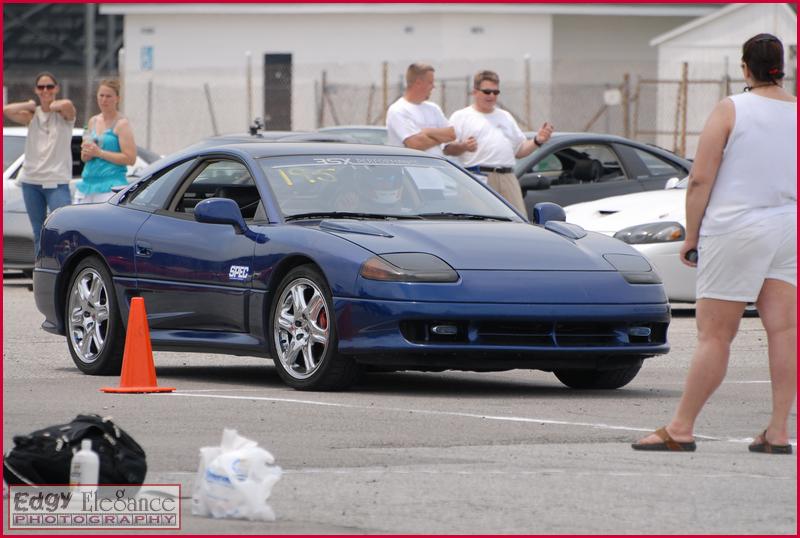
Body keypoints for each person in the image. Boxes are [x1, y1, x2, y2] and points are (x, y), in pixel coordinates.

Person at [632, 33, 796, 454]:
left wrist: (691, 234)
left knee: (715, 335)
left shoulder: (731, 108)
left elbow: (701, 178)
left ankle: (681, 427)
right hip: (787, 227)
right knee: (784, 331)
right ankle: (778, 431)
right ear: (783, 66)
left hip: (736, 227)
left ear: (745, 68)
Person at [444, 70, 554, 214]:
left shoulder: (505, 116)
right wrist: (463, 146)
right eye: (487, 91)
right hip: (478, 177)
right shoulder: (461, 116)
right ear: (475, 92)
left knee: (517, 220)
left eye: (496, 92)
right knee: (481, 223)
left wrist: (538, 140)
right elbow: (447, 148)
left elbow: (520, 150)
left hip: (507, 177)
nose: (491, 96)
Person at [3, 72, 76, 258]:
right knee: (39, 232)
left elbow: (66, 105)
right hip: (31, 181)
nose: (45, 90)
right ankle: (41, 274)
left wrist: (48, 104)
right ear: (36, 89)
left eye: (49, 87)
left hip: (56, 181)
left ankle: (64, 276)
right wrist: (29, 105)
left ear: (56, 88)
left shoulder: (64, 115)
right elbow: (7, 111)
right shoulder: (32, 115)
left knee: (63, 231)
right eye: (41, 87)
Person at [76, 79, 136, 203]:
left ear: (117, 98)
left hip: (111, 186)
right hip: (87, 184)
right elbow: (84, 157)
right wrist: (87, 152)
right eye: (101, 96)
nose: (104, 100)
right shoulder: (93, 121)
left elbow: (131, 158)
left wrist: (100, 153)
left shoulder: (122, 124)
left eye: (108, 96)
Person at [385, 63, 461, 156]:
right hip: (410, 168)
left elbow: (451, 134)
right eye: (430, 82)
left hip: (435, 168)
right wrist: (440, 137)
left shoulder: (433, 108)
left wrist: (428, 132)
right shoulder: (398, 110)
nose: (433, 86)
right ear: (418, 83)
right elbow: (415, 144)